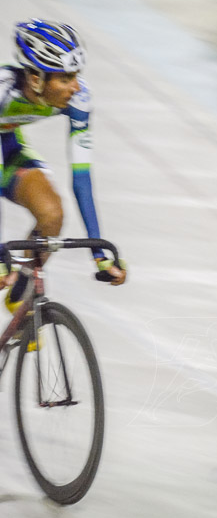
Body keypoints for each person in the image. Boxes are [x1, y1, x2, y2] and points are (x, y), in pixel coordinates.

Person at [1, 19, 126, 307]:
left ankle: (19, 298)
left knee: (52, 215)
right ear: (36, 79)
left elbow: (82, 178)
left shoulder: (78, 98)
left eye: (77, 75)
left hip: (7, 147)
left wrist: (99, 254)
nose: (77, 86)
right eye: (66, 78)